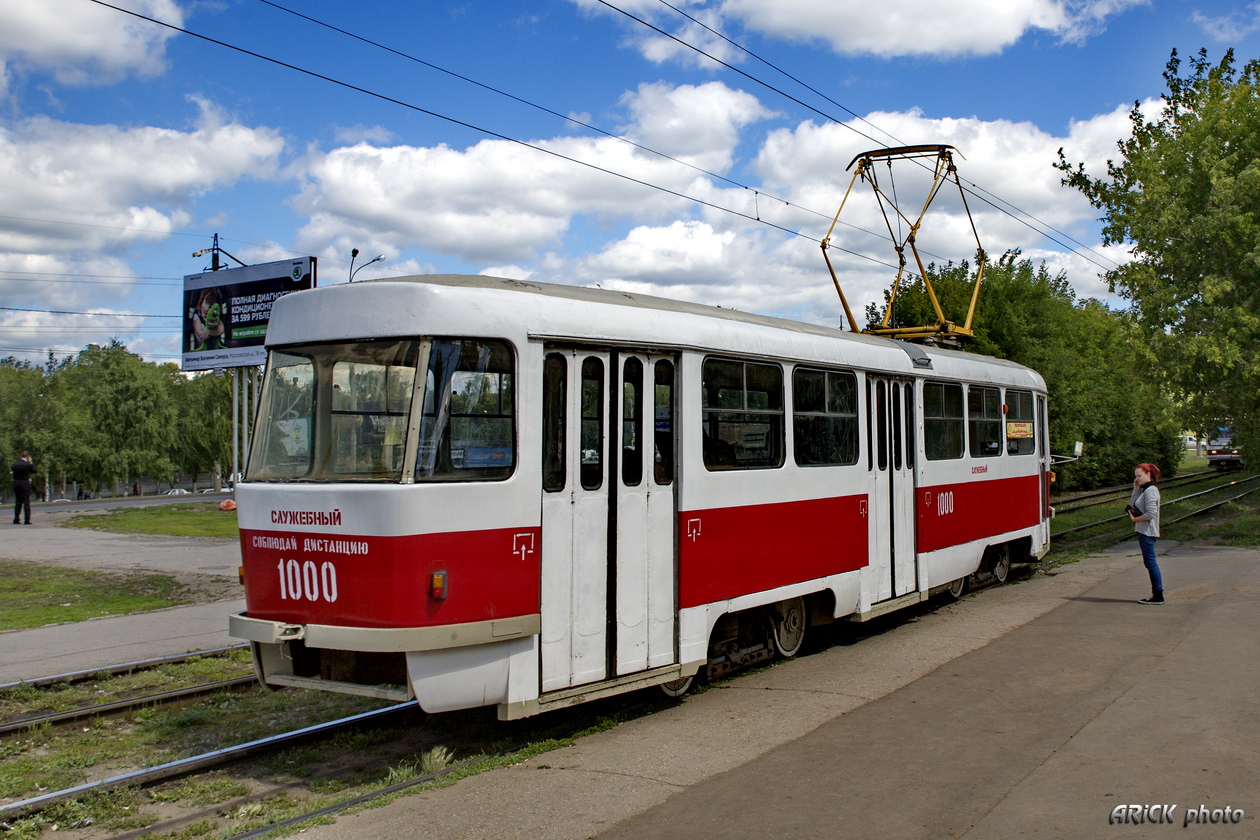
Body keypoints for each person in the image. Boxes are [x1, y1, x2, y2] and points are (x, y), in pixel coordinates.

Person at [1128, 462, 1163, 604]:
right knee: (1149, 562)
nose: (1137, 479)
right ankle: (1157, 594)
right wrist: (1135, 489)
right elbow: (1133, 504)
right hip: (1143, 531)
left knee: (1150, 562)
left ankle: (1158, 595)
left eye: (1139, 476)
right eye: (1135, 476)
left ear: (1148, 475)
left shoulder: (1151, 491)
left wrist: (1135, 519)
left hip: (1148, 531)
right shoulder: (1144, 490)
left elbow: (1151, 514)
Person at [11, 451, 35, 525]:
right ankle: (27, 520)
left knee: (18, 502)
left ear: (20, 456)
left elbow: (12, 470)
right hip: (25, 484)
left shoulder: (15, 464)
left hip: (16, 484)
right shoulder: (28, 465)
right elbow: (34, 471)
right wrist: (31, 463)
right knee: (26, 502)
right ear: (27, 457)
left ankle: (16, 519)